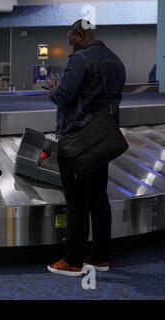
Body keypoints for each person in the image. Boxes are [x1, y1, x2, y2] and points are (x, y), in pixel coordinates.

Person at [47, 19, 126, 276]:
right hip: (102, 140)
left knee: (77, 202)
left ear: (80, 35)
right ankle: (101, 256)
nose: (71, 48)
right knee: (98, 199)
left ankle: (72, 260)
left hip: (77, 140)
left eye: (71, 42)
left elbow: (63, 96)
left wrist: (53, 89)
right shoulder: (116, 61)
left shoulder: (81, 60)